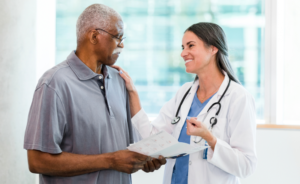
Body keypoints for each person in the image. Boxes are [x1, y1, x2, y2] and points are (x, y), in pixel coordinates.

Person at [23, 4, 165, 184]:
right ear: (94, 36)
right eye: (117, 37)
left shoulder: (120, 81)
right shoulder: (54, 84)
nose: (122, 45)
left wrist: (145, 160)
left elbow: (128, 150)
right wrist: (110, 161)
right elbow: (37, 161)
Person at [113, 22, 257, 184]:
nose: (183, 53)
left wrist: (209, 138)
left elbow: (246, 166)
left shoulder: (238, 98)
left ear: (213, 48)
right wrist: (132, 92)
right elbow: (152, 138)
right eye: (183, 47)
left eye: (190, 46)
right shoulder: (184, 93)